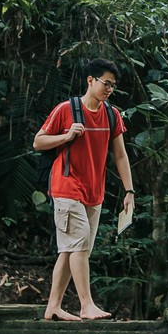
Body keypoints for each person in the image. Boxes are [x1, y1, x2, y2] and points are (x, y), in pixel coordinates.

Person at [32, 58, 134, 320]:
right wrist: (66, 136)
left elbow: (120, 155)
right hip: (66, 186)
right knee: (78, 244)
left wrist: (129, 191)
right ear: (90, 80)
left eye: (113, 86)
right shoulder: (66, 109)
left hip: (94, 191)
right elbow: (38, 142)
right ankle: (86, 304)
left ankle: (53, 306)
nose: (109, 89)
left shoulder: (112, 114)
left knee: (73, 249)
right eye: (106, 83)